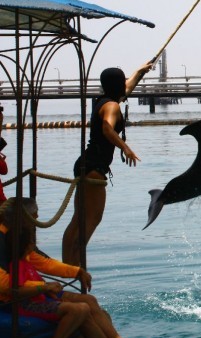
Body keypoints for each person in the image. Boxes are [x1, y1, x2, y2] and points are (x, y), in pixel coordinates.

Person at [1, 198, 157, 338]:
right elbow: (5, 284)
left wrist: (76, 271)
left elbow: (42, 262)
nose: (37, 220)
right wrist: (42, 287)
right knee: (81, 309)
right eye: (34, 216)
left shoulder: (18, 233)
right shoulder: (3, 238)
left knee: (89, 301)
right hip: (12, 300)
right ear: (23, 217)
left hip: (34, 292)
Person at [62, 61, 153, 265]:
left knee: (78, 220)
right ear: (117, 84)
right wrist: (125, 148)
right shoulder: (112, 106)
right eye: (123, 81)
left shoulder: (103, 100)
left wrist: (140, 71)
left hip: (86, 163)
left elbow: (128, 86)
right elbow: (107, 128)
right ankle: (75, 265)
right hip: (94, 168)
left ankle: (67, 266)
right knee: (91, 219)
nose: (126, 84)